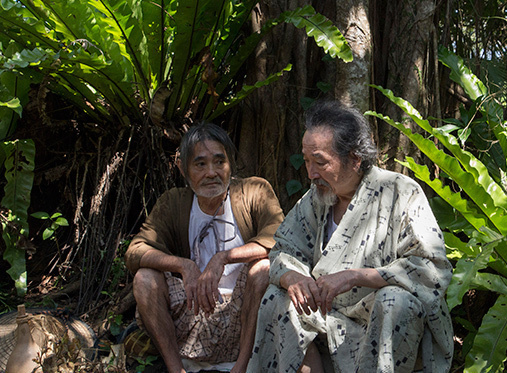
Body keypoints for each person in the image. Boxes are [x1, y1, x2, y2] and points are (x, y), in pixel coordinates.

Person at [247, 100, 454, 373]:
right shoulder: (316, 199)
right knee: (278, 296)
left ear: (355, 159)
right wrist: (293, 278)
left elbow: (431, 268)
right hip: (326, 319)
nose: (310, 173)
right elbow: (283, 250)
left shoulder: (400, 192)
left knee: (396, 300)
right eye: (307, 161)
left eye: (320, 162)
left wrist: (354, 277)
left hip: (381, 320)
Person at [125, 122, 284, 373]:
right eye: (200, 164)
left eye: (219, 162)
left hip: (243, 319)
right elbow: (135, 250)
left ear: (230, 164)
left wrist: (222, 258)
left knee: (263, 269)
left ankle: (242, 368)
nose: (211, 173)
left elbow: (279, 239)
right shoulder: (173, 202)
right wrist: (183, 265)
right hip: (193, 319)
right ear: (184, 169)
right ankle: (177, 369)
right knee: (145, 279)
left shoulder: (255, 191)